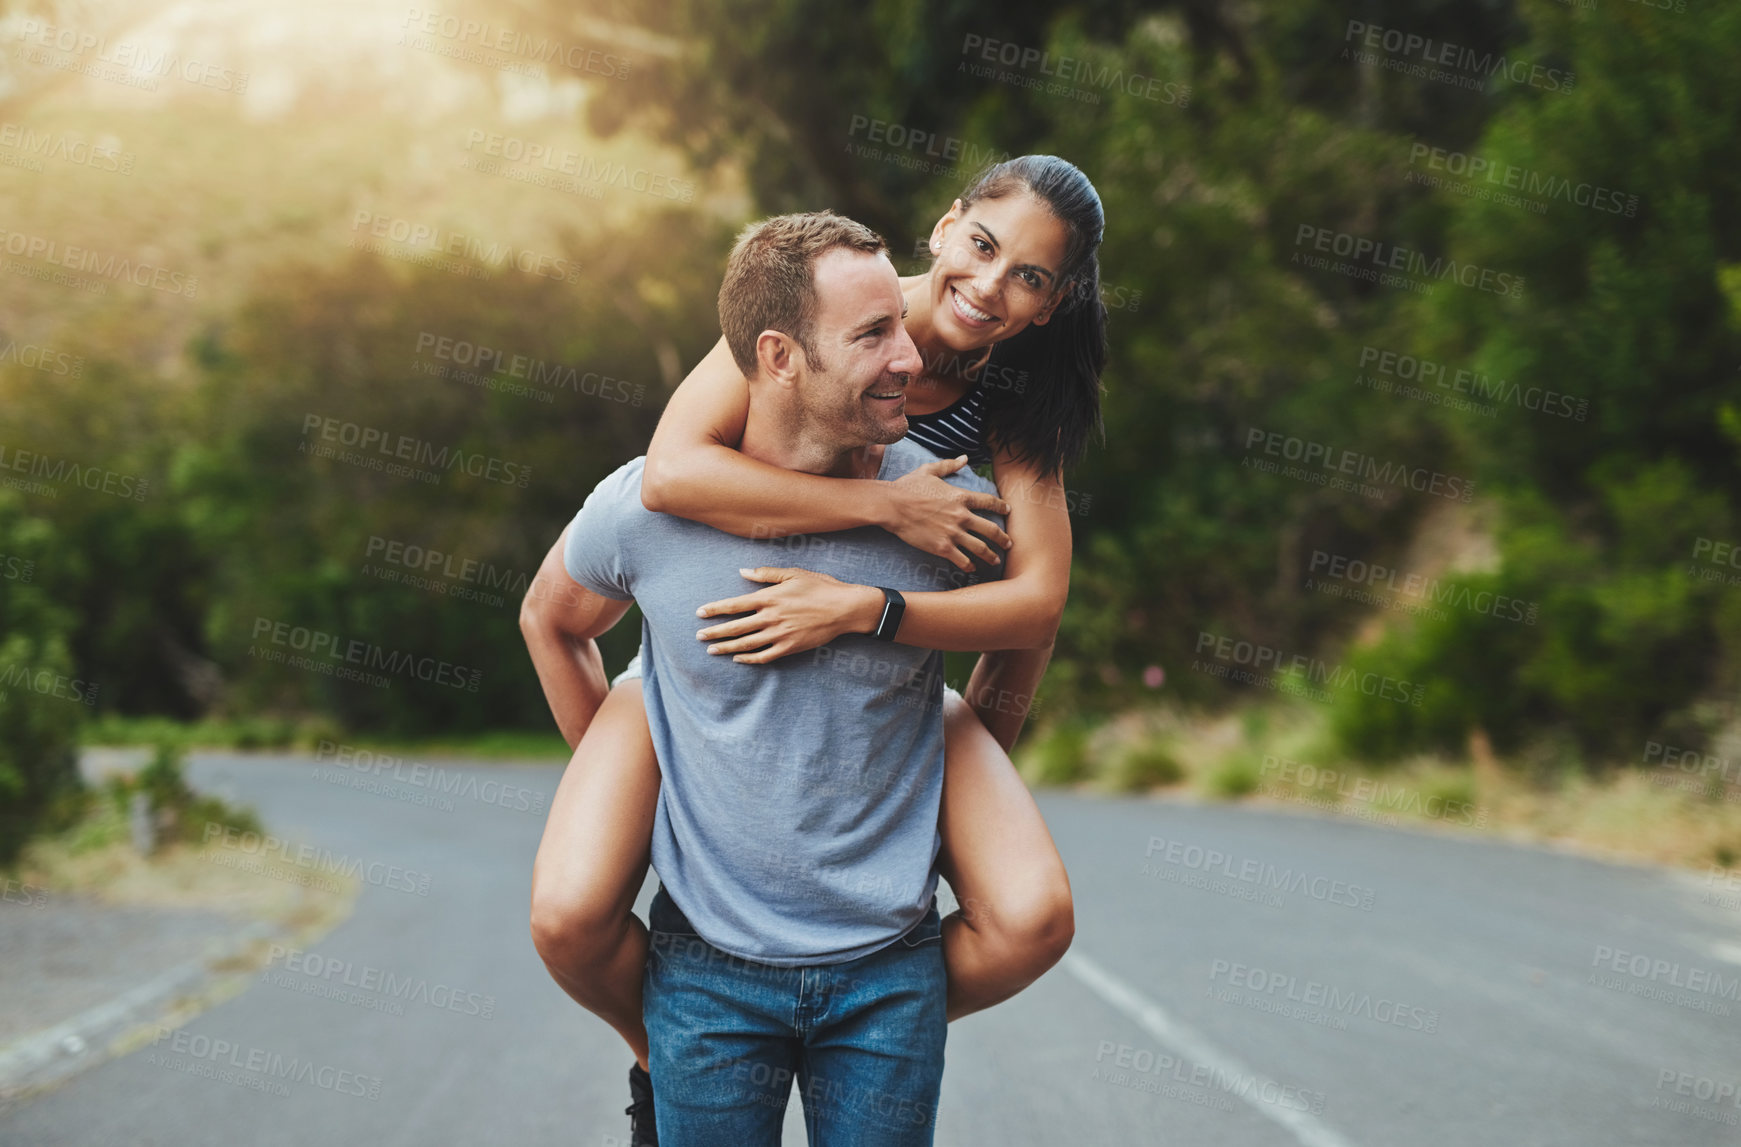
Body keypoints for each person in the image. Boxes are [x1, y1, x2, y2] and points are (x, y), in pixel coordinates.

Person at [522, 156, 1108, 1145]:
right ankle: (667, 1037)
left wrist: (875, 624)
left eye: (1031, 278)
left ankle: (868, 1017)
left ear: (1054, 302)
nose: (992, 284)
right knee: (571, 909)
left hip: (897, 633)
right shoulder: (811, 310)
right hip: (715, 626)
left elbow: (1032, 611)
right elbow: (670, 478)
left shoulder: (1005, 417)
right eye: (982, 247)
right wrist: (880, 507)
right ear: (944, 227)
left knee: (1032, 909)